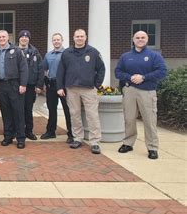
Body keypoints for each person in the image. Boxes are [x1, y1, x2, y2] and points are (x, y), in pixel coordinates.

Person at [115, 31, 167, 160]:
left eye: (143, 37)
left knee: (149, 120)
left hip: (147, 91)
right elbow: (118, 72)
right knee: (129, 118)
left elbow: (162, 71)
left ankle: (152, 147)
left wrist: (143, 77)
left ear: (147, 39)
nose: (140, 39)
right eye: (137, 38)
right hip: (129, 90)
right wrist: (130, 77)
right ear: (133, 40)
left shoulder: (154, 56)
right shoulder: (125, 56)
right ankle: (128, 143)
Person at [56, 29, 105, 154]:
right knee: (74, 114)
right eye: (77, 36)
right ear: (73, 38)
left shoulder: (93, 52)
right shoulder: (67, 53)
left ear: (85, 37)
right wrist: (60, 87)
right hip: (72, 89)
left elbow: (101, 69)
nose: (79, 38)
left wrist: (96, 84)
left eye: (81, 36)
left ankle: (95, 142)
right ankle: (78, 138)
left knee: (92, 115)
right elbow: (61, 71)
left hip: (89, 89)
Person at [0, 30, 28, 149]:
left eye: (3, 37)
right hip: (1, 85)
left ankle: (20, 138)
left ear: (8, 38)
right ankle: (8, 136)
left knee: (18, 112)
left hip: (15, 84)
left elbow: (24, 68)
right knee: (6, 112)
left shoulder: (17, 51)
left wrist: (23, 84)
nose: (1, 39)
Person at [41, 33, 73, 143]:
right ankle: (51, 131)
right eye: (54, 40)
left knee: (67, 109)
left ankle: (71, 133)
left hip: (63, 85)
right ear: (52, 42)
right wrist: (44, 83)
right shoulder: (48, 55)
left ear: (62, 40)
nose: (56, 42)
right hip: (51, 84)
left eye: (58, 40)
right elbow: (44, 69)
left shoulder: (67, 54)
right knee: (52, 109)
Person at [18, 30, 44, 141]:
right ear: (19, 38)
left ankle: (29, 131)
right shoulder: (14, 51)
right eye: (22, 37)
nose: (24, 39)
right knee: (18, 110)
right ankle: (18, 131)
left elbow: (40, 69)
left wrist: (39, 85)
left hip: (30, 85)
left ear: (29, 39)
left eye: (26, 37)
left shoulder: (35, 52)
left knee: (28, 109)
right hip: (17, 86)